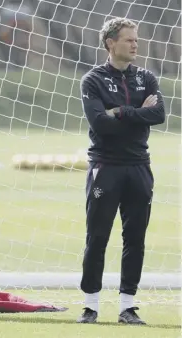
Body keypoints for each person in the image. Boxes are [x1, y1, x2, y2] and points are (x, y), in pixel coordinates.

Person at [78, 17, 165, 325]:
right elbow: (100, 123)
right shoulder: (93, 80)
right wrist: (139, 112)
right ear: (110, 43)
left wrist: (123, 111)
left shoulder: (146, 77)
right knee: (97, 236)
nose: (135, 44)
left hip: (139, 167)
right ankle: (90, 306)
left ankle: (127, 306)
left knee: (135, 238)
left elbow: (159, 114)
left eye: (136, 39)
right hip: (106, 167)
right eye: (128, 39)